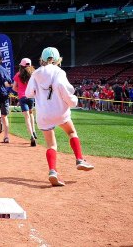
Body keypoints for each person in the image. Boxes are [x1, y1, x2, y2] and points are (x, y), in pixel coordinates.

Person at [26, 47, 94, 187]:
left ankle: (52, 171)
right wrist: (73, 101)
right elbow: (63, 89)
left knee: (51, 144)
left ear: (42, 59)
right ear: (58, 60)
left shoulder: (36, 73)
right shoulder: (59, 72)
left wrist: (40, 92)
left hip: (44, 114)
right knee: (71, 132)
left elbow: (28, 93)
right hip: (59, 111)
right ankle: (79, 159)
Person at [13, 57, 38, 146]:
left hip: (22, 97)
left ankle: (31, 135)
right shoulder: (34, 74)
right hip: (31, 97)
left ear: (21, 65)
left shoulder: (18, 74)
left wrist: (20, 91)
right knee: (31, 114)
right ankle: (34, 131)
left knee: (27, 117)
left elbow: (14, 87)